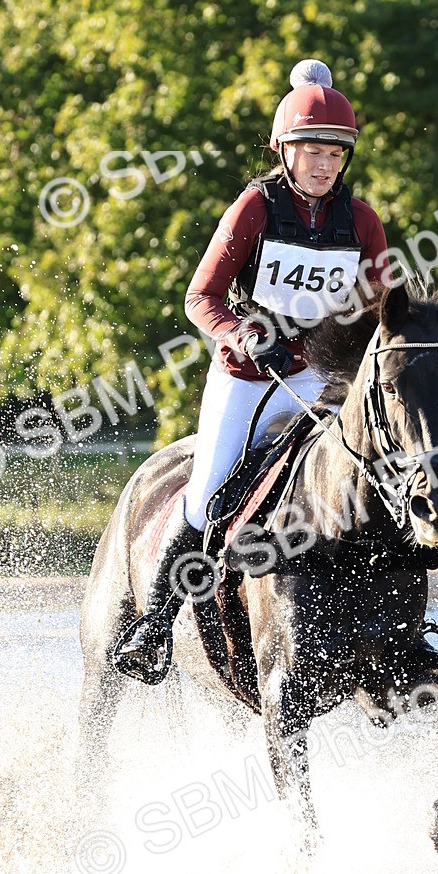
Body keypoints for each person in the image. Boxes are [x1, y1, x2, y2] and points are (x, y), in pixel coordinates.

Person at [114, 59, 389, 679]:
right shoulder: (254, 209)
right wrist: (238, 334)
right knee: (209, 494)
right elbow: (200, 297)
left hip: (325, 383)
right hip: (249, 380)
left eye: (334, 154)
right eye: (310, 151)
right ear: (285, 152)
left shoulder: (362, 221)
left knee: (378, 481)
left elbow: (383, 308)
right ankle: (153, 627)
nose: (323, 165)